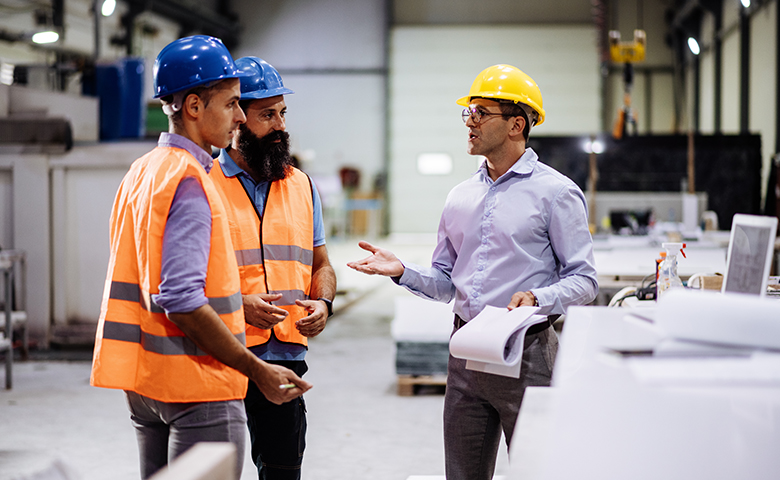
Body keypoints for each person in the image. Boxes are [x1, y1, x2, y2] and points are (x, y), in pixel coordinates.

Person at [347, 64, 598, 480]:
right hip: (465, 352)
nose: (471, 122)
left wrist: (539, 298)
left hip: (527, 352)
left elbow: (585, 279)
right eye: (469, 112)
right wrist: (403, 271)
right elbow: (447, 283)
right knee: (462, 474)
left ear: (517, 124)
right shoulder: (460, 196)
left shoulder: (556, 193)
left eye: (483, 112)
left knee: (539, 470)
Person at [90, 36, 311, 480]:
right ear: (193, 106)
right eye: (231, 104)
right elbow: (180, 297)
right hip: (197, 380)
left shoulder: (144, 170)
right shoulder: (190, 179)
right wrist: (257, 370)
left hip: (146, 381)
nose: (237, 118)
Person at [210, 56, 337, 480]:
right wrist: (237, 304)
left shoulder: (300, 184)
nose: (281, 124)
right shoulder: (203, 182)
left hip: (284, 355)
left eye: (283, 112)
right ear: (237, 118)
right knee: (213, 469)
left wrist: (323, 302)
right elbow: (179, 282)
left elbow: (321, 263)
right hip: (220, 354)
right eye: (268, 114)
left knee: (282, 469)